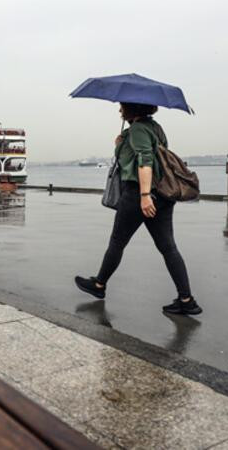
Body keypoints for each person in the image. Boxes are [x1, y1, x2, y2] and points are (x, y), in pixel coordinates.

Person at [74, 102, 201, 315]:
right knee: (168, 247)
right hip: (162, 194)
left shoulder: (139, 129)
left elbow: (145, 161)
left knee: (117, 241)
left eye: (122, 106)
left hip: (138, 194)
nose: (119, 110)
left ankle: (99, 285)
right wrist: (122, 142)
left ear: (131, 108)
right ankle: (186, 299)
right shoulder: (155, 127)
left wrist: (144, 196)